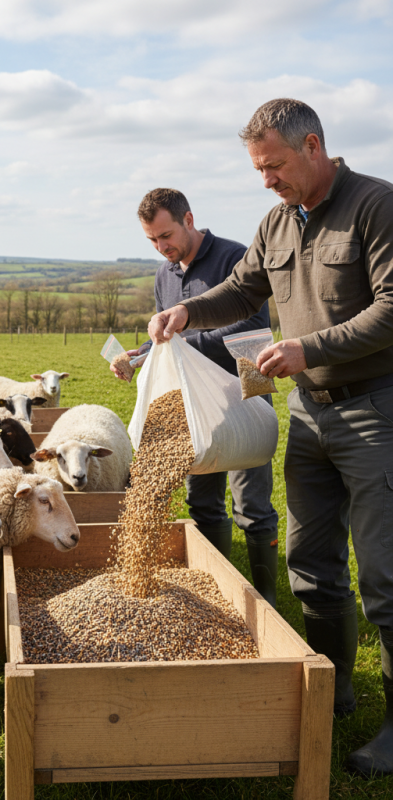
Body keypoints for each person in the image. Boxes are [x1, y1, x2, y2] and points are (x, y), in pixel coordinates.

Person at [149, 98, 393, 778]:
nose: (266, 180)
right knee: (311, 564)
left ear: (313, 146)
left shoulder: (377, 206)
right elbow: (242, 288)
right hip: (311, 415)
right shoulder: (277, 222)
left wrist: (307, 347)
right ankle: (334, 688)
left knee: (383, 574)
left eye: (275, 166)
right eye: (258, 169)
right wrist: (187, 309)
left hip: (378, 411)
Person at [112, 188, 279, 606]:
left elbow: (252, 334)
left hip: (242, 392)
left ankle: (267, 596)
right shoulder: (164, 275)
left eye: (166, 235)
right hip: (191, 406)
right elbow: (171, 343)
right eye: (152, 240)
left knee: (252, 505)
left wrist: (179, 340)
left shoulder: (233, 258)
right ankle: (217, 592)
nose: (161, 247)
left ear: (189, 220)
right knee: (202, 502)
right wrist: (141, 357)